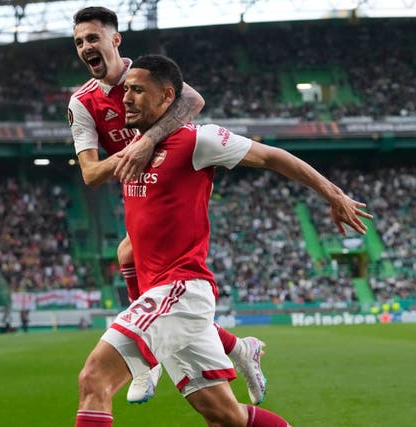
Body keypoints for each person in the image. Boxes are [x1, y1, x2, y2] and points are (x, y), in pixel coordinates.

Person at [75, 54, 372, 427]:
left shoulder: (200, 139)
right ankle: (234, 349)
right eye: (126, 90)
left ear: (167, 97)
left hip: (180, 291)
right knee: (226, 417)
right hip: (169, 300)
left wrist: (333, 194)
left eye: (137, 90)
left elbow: (272, 157)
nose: (127, 98)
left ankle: (156, 359)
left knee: (94, 378)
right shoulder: (133, 150)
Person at [69, 6, 266, 405]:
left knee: (132, 254)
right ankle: (237, 348)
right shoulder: (82, 102)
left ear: (114, 40)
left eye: (93, 38)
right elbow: (90, 175)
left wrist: (146, 140)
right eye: (78, 42)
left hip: (175, 175)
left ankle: (149, 363)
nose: (86, 46)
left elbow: (193, 100)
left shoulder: (145, 76)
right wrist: (129, 156)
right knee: (131, 255)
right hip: (137, 189)